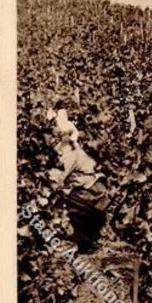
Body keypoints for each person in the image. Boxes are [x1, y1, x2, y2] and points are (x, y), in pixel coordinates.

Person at [47, 107, 109, 253]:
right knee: (69, 196)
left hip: (92, 192)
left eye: (59, 136)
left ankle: (85, 241)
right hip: (88, 189)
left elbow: (62, 178)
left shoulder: (71, 153)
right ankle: (85, 239)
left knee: (70, 198)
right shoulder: (66, 151)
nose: (56, 139)